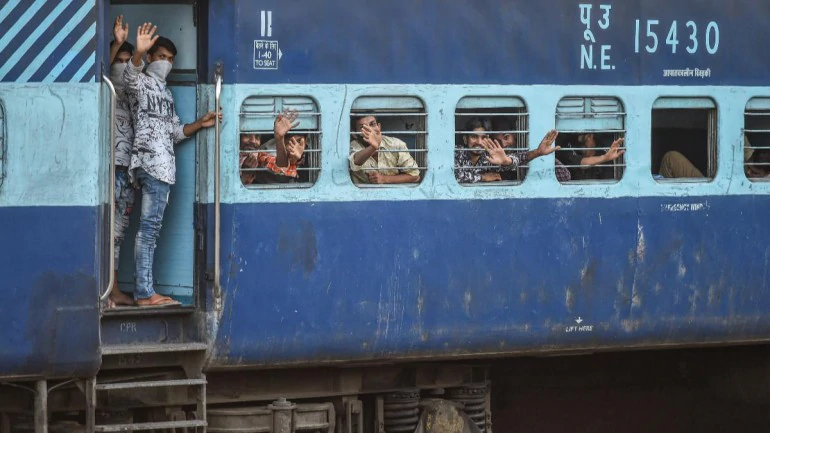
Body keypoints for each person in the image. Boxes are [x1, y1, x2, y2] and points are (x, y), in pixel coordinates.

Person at [124, 23, 220, 306]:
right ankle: (144, 293)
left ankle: (145, 289)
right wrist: (138, 54)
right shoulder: (140, 80)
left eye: (170, 59)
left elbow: (175, 132)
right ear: (151, 57)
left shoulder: (166, 93)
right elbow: (128, 79)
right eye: (161, 56)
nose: (166, 62)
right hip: (149, 163)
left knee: (150, 229)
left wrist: (200, 124)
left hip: (164, 167)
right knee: (149, 229)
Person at [108, 15, 137, 306]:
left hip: (128, 171)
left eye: (129, 62)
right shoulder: (107, 94)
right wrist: (116, 44)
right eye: (120, 60)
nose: (123, 67)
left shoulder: (132, 97)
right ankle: (106, 289)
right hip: (110, 167)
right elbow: (102, 65)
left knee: (119, 231)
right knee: (106, 227)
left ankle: (113, 289)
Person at [490, 117, 570, 182]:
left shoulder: (529, 150)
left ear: (514, 134)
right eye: (499, 141)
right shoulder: (493, 157)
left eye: (506, 137)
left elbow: (564, 175)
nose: (504, 144)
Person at [349, 115, 420, 185]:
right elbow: (355, 161)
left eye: (372, 124)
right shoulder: (353, 146)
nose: (370, 130)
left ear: (379, 127)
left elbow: (415, 176)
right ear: (354, 134)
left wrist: (385, 179)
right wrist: (373, 147)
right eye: (363, 127)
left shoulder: (395, 144)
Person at [239, 110, 304, 185]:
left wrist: (279, 138)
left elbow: (280, 168)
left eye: (257, 137)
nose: (253, 141)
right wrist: (245, 174)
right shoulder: (228, 154)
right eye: (247, 135)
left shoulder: (259, 156)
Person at [454, 117, 518, 183]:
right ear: (465, 139)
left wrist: (507, 160)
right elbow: (453, 176)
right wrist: (482, 177)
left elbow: (519, 160)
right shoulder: (456, 152)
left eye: (484, 137)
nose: (479, 142)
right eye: (474, 137)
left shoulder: (488, 155)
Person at [556, 133, 625, 181]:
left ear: (590, 136)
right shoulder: (568, 148)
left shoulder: (605, 157)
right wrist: (605, 158)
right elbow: (581, 163)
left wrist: (605, 158)